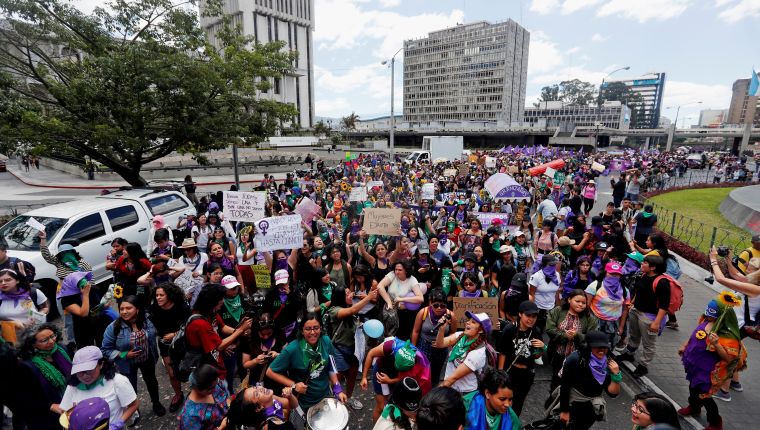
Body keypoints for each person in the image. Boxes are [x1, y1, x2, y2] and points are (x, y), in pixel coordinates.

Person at [677, 293, 747, 430]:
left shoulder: (727, 335)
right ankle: (694, 407)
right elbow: (695, 335)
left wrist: (717, 344)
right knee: (692, 388)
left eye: (712, 316)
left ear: (721, 316)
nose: (708, 317)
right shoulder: (705, 321)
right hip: (694, 366)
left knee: (705, 396)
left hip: (708, 372)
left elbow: (729, 359)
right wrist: (685, 346)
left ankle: (715, 423)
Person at [267, 312, 347, 415]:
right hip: (304, 404)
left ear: (321, 328)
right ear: (301, 331)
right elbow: (270, 372)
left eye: (316, 328)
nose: (313, 332)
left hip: (325, 396)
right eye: (308, 329)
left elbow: (330, 366)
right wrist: (294, 385)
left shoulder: (326, 341)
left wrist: (337, 388)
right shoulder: (292, 349)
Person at [101, 295, 166, 417]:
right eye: (122, 309)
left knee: (151, 382)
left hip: (147, 359)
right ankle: (133, 410)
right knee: (130, 387)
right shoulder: (114, 327)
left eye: (128, 308)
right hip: (126, 363)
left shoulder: (147, 321)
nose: (124, 312)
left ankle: (156, 403)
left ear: (138, 309)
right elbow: (105, 349)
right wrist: (124, 354)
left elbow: (155, 334)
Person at [185, 284, 253, 389]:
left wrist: (237, 331)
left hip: (217, 364)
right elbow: (219, 346)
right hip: (207, 371)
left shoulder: (211, 312)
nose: (223, 301)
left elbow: (223, 327)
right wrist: (240, 330)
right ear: (212, 301)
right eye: (221, 298)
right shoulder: (199, 323)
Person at [59, 346, 139, 430]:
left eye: (89, 370)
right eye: (79, 372)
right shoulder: (72, 387)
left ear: (101, 364)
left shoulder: (118, 381)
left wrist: (119, 423)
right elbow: (66, 411)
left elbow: (134, 404)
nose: (85, 375)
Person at [616, 255, 670, 378]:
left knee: (648, 343)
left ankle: (643, 366)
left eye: (645, 262)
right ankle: (630, 353)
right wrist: (632, 303)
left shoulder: (662, 282)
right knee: (634, 335)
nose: (642, 264)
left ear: (653, 267)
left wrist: (656, 322)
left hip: (649, 317)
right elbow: (639, 291)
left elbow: (664, 305)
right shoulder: (644, 275)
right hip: (636, 311)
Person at [326, 282, 377, 410]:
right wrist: (369, 297)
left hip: (354, 349)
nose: (351, 295)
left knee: (352, 375)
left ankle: (348, 398)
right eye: (347, 294)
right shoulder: (334, 310)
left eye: (350, 292)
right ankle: (336, 402)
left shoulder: (351, 306)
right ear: (339, 297)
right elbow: (352, 310)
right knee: (337, 378)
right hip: (339, 349)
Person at [555, 330, 622, 430]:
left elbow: (612, 393)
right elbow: (565, 386)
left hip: (591, 410)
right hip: (572, 405)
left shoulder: (608, 362)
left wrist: (616, 376)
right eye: (597, 347)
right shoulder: (574, 360)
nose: (602, 350)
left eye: (604, 347)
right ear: (588, 346)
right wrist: (564, 412)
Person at [15, 324, 72, 429]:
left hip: (70, 405)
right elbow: (24, 399)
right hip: (47, 418)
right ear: (33, 344)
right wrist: (50, 406)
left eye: (52, 336)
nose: (51, 341)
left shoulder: (61, 349)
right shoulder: (26, 366)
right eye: (44, 340)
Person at [496, 300, 545, 416]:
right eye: (528, 315)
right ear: (520, 314)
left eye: (534, 316)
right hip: (510, 372)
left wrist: (542, 348)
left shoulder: (536, 332)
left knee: (518, 404)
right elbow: (502, 353)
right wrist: (500, 374)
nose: (531, 319)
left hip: (526, 374)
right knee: (503, 403)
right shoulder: (510, 330)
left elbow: (536, 356)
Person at [148, 282, 190, 412]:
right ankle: (178, 395)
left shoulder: (182, 307)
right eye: (156, 295)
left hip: (184, 343)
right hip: (165, 345)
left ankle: (196, 394)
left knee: (190, 370)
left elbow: (190, 325)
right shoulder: (154, 308)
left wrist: (175, 334)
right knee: (172, 373)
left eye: (161, 295)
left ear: (170, 296)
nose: (158, 298)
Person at [546, 290, 598, 391]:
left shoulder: (590, 318)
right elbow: (549, 329)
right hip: (558, 354)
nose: (581, 304)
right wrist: (565, 335)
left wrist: (577, 335)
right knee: (556, 380)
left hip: (577, 358)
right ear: (569, 299)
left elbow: (592, 337)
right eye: (577, 301)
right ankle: (552, 401)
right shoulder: (558, 311)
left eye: (583, 303)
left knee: (571, 383)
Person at [436, 311, 493, 403]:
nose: (467, 322)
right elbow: (440, 344)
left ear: (481, 330)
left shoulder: (478, 353)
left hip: (464, 394)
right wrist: (441, 329)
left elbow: (453, 378)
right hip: (450, 387)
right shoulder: (461, 336)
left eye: (473, 322)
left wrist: (434, 395)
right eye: (469, 320)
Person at [412, 288, 456, 387]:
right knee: (422, 372)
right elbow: (415, 331)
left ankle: (432, 393)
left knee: (436, 373)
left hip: (441, 349)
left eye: (442, 305)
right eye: (436, 305)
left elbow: (453, 334)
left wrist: (445, 343)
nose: (439, 308)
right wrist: (413, 349)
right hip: (424, 345)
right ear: (430, 303)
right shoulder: (423, 313)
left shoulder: (451, 316)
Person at [584, 261, 630, 349]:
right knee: (592, 346)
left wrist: (621, 327)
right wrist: (587, 323)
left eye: (617, 274)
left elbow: (625, 310)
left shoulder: (625, 290)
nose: (614, 276)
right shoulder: (595, 286)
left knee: (608, 347)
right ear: (605, 273)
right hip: (595, 322)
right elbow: (586, 305)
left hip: (613, 324)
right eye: (611, 273)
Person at [58, 271, 110, 348]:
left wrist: (104, 305)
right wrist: (85, 295)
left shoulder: (92, 289)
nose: (84, 284)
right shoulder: (67, 299)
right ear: (71, 284)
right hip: (82, 329)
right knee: (87, 352)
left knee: (104, 345)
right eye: (79, 282)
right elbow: (83, 313)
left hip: (99, 322)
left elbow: (97, 306)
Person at [377, 261, 424, 341]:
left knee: (401, 338)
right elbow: (380, 286)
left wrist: (401, 299)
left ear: (406, 270)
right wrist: (389, 302)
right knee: (388, 336)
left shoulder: (412, 280)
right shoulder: (392, 274)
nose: (397, 272)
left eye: (400, 270)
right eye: (396, 269)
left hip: (404, 314)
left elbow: (420, 298)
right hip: (390, 311)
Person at [218, 275, 249, 391]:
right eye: (230, 288)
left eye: (235, 287)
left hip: (244, 340)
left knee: (244, 366)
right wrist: (222, 345)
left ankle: (245, 390)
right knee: (229, 371)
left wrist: (248, 330)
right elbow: (219, 327)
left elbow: (248, 316)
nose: (234, 290)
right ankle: (229, 394)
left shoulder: (242, 298)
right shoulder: (219, 304)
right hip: (228, 343)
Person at [0, 267, 48, 341]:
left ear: (17, 280)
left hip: (36, 334)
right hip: (11, 339)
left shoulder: (32, 292)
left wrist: (38, 316)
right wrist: (11, 323)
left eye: (8, 280)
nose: (3, 283)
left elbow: (45, 308)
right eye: (0, 281)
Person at [240, 312, 285, 390]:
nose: (266, 337)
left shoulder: (280, 336)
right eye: (262, 334)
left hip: (277, 380)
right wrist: (255, 361)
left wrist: (278, 355)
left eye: (269, 333)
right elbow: (245, 364)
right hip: (257, 381)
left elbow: (287, 357)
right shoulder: (249, 340)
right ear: (256, 331)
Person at [225, 384, 299, 430]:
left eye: (255, 387)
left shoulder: (272, 398)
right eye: (256, 394)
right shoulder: (268, 426)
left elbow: (293, 405)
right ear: (259, 407)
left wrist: (290, 396)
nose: (260, 388)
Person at [178, 364, 230, 430]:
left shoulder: (213, 383)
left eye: (217, 383)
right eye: (211, 388)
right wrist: (221, 428)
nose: (216, 388)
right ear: (197, 388)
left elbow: (226, 397)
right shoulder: (190, 416)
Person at [528, 254, 561, 332]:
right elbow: (531, 294)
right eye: (551, 265)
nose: (553, 267)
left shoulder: (557, 275)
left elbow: (557, 293)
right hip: (538, 309)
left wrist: (558, 308)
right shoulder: (536, 276)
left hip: (551, 309)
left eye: (554, 264)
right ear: (544, 265)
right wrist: (533, 311)